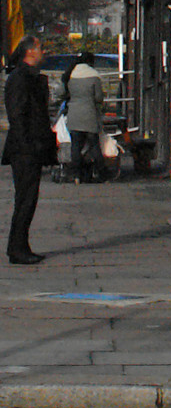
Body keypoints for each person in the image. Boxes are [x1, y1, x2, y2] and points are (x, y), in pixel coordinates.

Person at [2, 38, 55, 264]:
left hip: (33, 146)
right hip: (25, 149)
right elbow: (17, 115)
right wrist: (28, 146)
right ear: (30, 52)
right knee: (25, 199)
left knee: (29, 199)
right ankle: (17, 249)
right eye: (41, 47)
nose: (44, 51)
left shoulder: (29, 78)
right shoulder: (20, 79)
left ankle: (21, 246)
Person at [63, 57, 104, 184]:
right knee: (94, 145)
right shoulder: (94, 76)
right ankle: (99, 173)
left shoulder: (70, 75)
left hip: (74, 115)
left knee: (75, 146)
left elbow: (61, 92)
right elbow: (98, 98)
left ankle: (76, 175)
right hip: (89, 115)